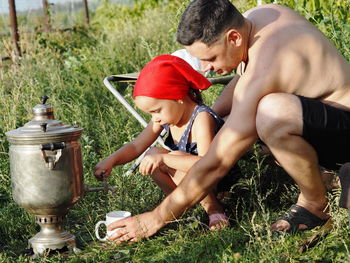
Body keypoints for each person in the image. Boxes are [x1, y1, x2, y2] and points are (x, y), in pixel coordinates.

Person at [107, 0, 350, 243]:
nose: (207, 68)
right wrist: (210, 117)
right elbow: (245, 79)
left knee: (270, 113)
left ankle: (314, 204)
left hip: (344, 127)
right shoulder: (258, 18)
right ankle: (330, 177)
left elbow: (217, 162)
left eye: (211, 58)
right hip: (326, 120)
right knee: (229, 120)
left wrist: (156, 217)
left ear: (233, 37)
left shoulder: (269, 61)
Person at [94, 54, 240, 231]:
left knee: (166, 156)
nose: (155, 118)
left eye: (157, 110)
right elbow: (136, 146)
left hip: (217, 181)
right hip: (192, 182)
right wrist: (111, 160)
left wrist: (165, 159)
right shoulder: (164, 118)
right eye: (150, 114)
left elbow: (207, 164)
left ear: (178, 97)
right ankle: (180, 207)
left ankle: (213, 208)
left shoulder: (201, 118)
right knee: (152, 154)